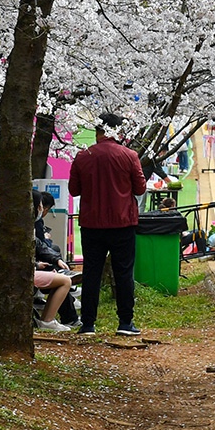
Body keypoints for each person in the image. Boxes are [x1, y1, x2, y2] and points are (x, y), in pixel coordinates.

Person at [68, 117, 147, 335]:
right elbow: (140, 189)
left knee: (91, 272)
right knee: (124, 272)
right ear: (119, 131)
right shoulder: (129, 156)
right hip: (122, 222)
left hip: (92, 223)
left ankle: (88, 324)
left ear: (97, 132)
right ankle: (125, 322)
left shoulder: (83, 156)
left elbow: (74, 189)